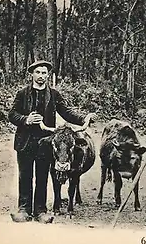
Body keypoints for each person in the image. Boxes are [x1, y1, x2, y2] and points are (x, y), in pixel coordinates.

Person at [8, 60, 96, 223]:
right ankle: (24, 210)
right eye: (38, 72)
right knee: (25, 176)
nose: (41, 76)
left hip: (47, 142)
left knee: (42, 177)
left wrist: (84, 118)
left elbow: (67, 112)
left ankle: (41, 211)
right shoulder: (22, 93)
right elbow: (12, 114)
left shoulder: (54, 94)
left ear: (48, 75)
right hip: (25, 142)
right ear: (31, 74)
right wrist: (25, 119)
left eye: (44, 73)